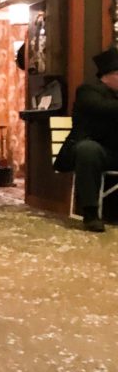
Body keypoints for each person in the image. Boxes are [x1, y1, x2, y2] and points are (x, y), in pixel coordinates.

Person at [54, 45, 118, 233]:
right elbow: (106, 109)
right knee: (88, 149)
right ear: (108, 76)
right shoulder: (88, 91)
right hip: (96, 151)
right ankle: (90, 213)